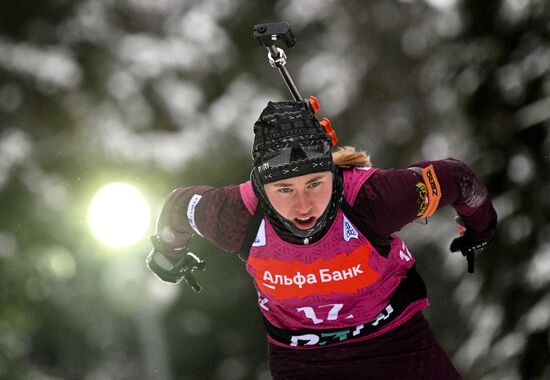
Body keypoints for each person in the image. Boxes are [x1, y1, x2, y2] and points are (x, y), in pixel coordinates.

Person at [148, 100, 497, 380]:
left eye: (315, 183)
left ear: (332, 172)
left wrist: (480, 230)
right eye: (284, 190)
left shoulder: (374, 199)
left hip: (397, 346)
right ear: (261, 188)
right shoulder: (235, 215)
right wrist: (168, 253)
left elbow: (458, 180)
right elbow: (179, 208)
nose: (303, 206)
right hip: (303, 361)